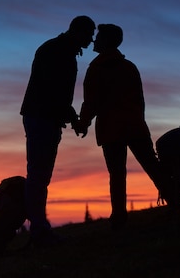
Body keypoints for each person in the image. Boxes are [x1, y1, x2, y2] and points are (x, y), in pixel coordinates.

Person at [74, 24, 172, 230]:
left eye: (99, 37)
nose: (94, 40)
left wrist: (83, 123)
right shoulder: (129, 67)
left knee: (117, 174)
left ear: (107, 41)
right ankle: (176, 201)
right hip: (135, 125)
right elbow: (140, 100)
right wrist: (138, 120)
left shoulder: (96, 69)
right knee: (152, 165)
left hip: (112, 130)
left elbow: (91, 102)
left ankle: (119, 218)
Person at [20, 15, 96, 245]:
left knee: (40, 174)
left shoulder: (60, 50)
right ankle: (39, 231)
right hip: (42, 117)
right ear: (78, 31)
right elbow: (52, 92)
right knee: (38, 175)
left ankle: (38, 229)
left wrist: (70, 117)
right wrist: (73, 117)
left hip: (44, 117)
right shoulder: (56, 51)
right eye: (89, 34)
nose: (91, 40)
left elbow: (57, 94)